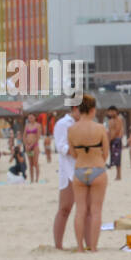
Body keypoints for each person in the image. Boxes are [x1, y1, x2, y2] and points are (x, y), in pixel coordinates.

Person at [67, 94, 110, 252]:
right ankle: (93, 246)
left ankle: (79, 247)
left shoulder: (72, 129)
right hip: (97, 168)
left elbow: (72, 153)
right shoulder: (99, 128)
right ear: (92, 109)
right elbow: (106, 153)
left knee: (80, 210)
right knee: (96, 210)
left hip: (79, 170)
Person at [52, 102, 78, 248]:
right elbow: (61, 147)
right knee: (65, 208)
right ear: (74, 108)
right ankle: (58, 244)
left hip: (84, 168)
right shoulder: (63, 124)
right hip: (68, 169)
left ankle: (86, 244)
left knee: (85, 210)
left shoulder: (85, 123)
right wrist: (79, 149)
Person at [106, 107, 125, 181]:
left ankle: (119, 175)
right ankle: (117, 174)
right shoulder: (111, 120)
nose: (110, 113)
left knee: (117, 158)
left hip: (116, 139)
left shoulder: (118, 119)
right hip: (114, 139)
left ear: (115, 111)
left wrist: (110, 140)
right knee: (114, 157)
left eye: (111, 111)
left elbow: (117, 130)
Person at [23, 113, 41, 183]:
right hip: (28, 145)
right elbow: (24, 136)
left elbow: (38, 136)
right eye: (29, 117)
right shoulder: (27, 125)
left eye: (31, 117)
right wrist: (26, 145)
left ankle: (37, 179)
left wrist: (32, 145)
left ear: (34, 117)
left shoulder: (38, 125)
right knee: (30, 164)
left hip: (35, 146)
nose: (30, 118)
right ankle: (31, 179)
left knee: (35, 163)